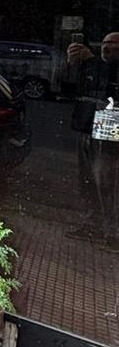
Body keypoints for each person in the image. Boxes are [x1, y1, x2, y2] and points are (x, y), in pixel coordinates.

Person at [67, 33, 119, 251]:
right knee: (87, 179)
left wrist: (92, 63)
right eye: (104, 44)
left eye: (113, 45)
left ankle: (113, 234)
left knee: (107, 182)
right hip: (87, 125)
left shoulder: (104, 67)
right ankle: (93, 225)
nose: (106, 48)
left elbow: (108, 86)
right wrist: (75, 64)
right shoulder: (93, 66)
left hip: (109, 124)